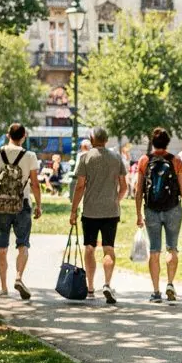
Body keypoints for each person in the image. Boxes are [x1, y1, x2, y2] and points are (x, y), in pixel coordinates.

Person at [135, 127, 182, 303]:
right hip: (173, 209)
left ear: (153, 142)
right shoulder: (176, 161)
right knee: (172, 248)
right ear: (167, 142)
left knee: (154, 250)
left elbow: (139, 190)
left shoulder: (144, 161)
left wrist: (138, 214)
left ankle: (155, 292)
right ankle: (170, 283)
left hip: (151, 210)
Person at [69, 128, 126, 304]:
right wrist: (116, 200)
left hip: (90, 211)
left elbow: (80, 186)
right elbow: (124, 186)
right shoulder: (116, 158)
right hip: (111, 211)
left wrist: (73, 210)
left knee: (90, 248)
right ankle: (107, 284)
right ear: (106, 140)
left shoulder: (85, 157)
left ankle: (91, 287)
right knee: (109, 248)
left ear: (92, 139)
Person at [0, 122, 42, 300]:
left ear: (7, 135)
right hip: (22, 204)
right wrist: (39, 205)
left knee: (2, 247)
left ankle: (3, 288)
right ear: (24, 136)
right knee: (23, 244)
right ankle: (19, 277)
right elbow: (35, 184)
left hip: (2, 205)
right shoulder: (30, 156)